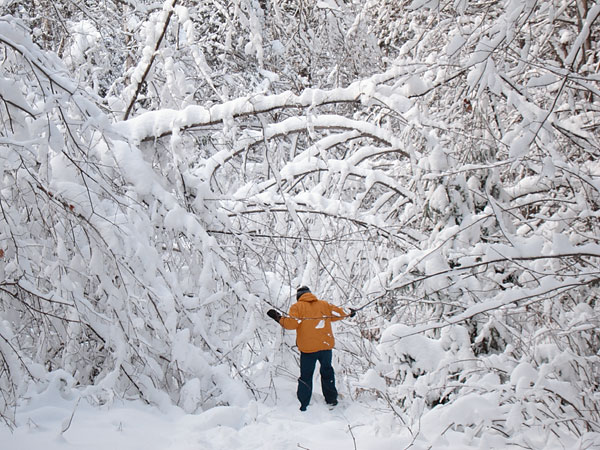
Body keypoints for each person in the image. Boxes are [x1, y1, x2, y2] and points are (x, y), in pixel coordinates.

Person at [267, 286, 356, 411]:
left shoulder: (297, 307)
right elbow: (338, 314)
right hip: (325, 346)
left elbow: (291, 324)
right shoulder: (323, 305)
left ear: (299, 297)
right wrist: (350, 312)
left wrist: (277, 317)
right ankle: (331, 400)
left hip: (308, 350)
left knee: (306, 375)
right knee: (327, 372)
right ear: (310, 294)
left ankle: (304, 404)